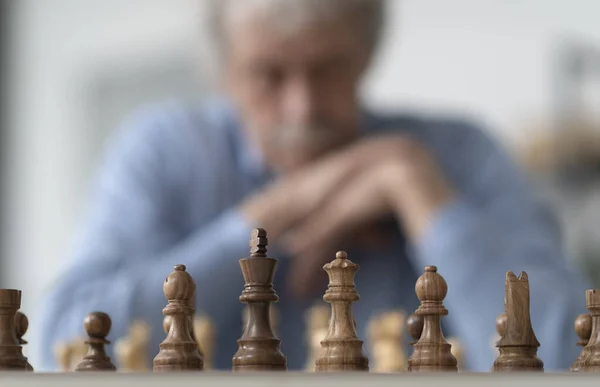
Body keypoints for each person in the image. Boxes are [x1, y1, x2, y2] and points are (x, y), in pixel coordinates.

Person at [32, 0, 588, 371]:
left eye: (327, 69)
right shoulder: (163, 148)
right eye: (269, 74)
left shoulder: (457, 154)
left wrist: (411, 181)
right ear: (223, 71)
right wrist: (271, 217)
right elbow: (69, 348)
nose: (301, 105)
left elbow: (567, 353)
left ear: (366, 57)